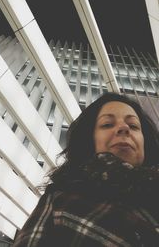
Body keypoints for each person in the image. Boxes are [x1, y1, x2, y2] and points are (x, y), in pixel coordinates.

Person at [13, 92, 159, 247]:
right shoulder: (60, 198)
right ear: (90, 140)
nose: (124, 127)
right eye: (107, 124)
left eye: (134, 126)